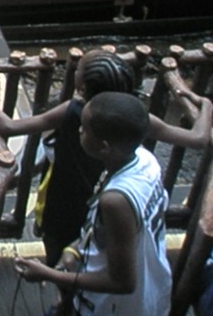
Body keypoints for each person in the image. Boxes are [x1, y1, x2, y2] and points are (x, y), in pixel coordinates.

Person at [0, 48, 211, 267]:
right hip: (110, 207)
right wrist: (206, 105)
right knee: (98, 257)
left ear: (81, 88)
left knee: (59, 257)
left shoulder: (73, 112)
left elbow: (8, 127)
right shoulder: (135, 116)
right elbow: (198, 139)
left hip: (64, 203)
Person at [14, 92, 172, 316]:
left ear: (103, 147)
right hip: (151, 291)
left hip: (115, 308)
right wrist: (75, 249)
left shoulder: (115, 201)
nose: (79, 130)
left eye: (85, 129)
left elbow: (122, 282)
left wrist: (47, 274)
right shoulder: (145, 161)